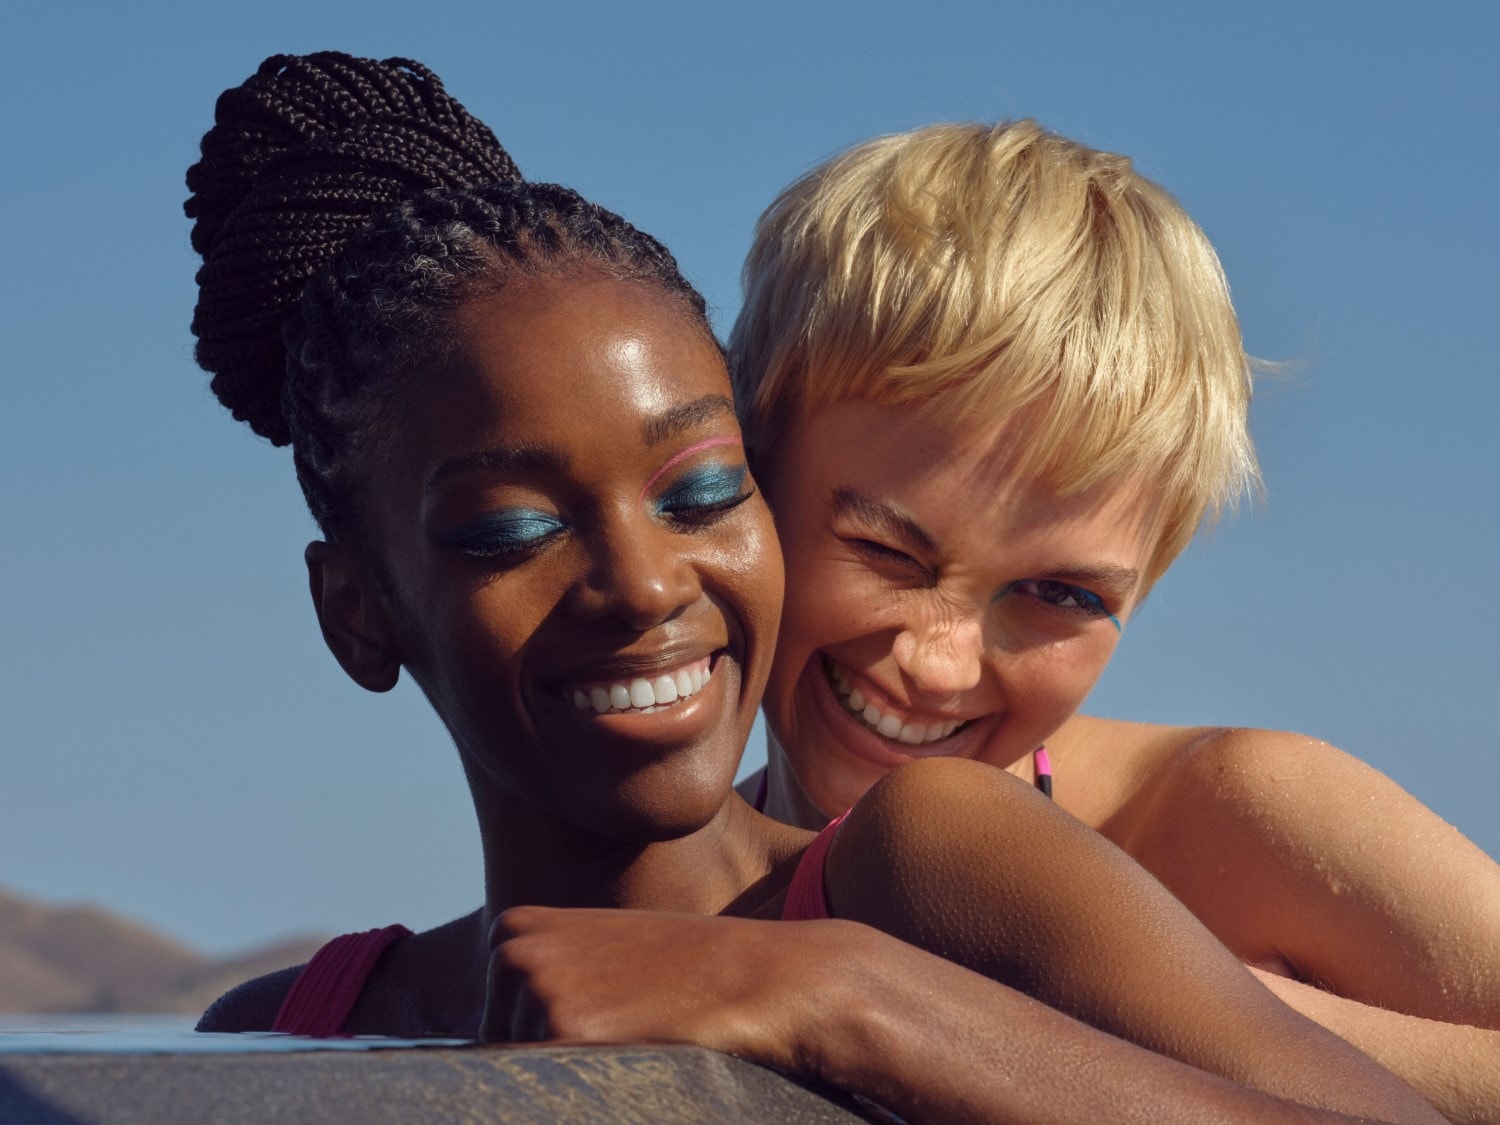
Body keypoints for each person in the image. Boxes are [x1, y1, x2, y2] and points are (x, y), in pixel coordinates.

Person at [182, 53, 1439, 1123]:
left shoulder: (927, 858)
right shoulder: (289, 1030)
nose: (640, 583)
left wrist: (837, 995)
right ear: (358, 611)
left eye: (699, 495)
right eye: (513, 528)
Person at [729, 121, 1500, 1121]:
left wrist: (1139, 990)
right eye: (886, 553)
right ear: (749, 475)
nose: (939, 663)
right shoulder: (657, 901)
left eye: (1062, 596)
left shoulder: (1233, 811)